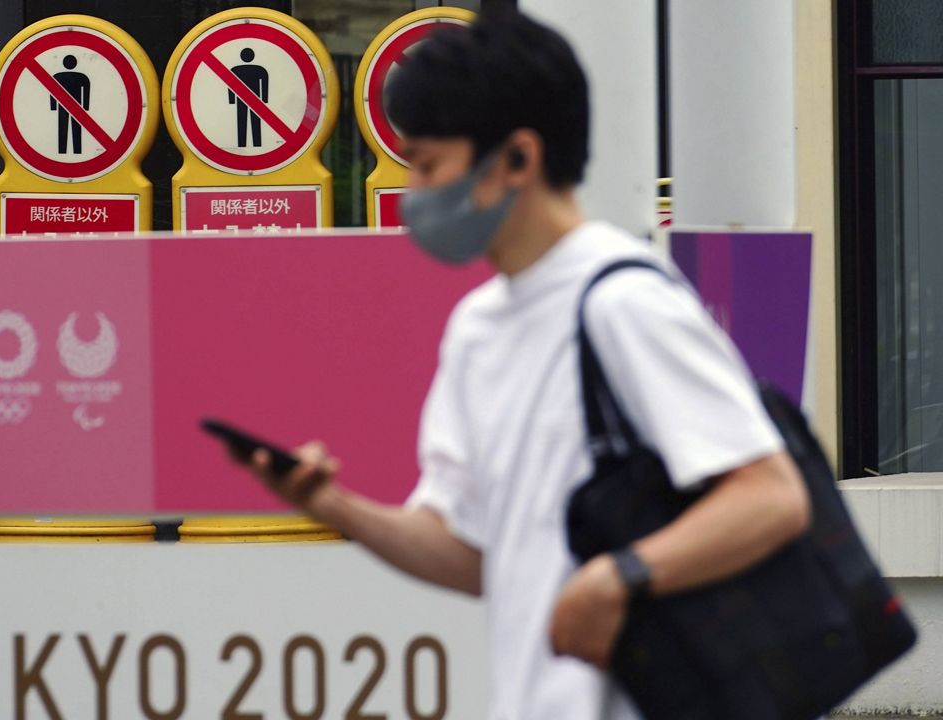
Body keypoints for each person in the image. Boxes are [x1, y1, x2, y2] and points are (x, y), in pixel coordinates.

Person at [228, 7, 811, 720]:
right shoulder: (480, 328)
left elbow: (771, 496)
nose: (413, 194)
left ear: (517, 161)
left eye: (429, 165)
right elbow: (473, 553)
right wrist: (331, 505)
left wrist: (620, 578)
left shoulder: (623, 301)